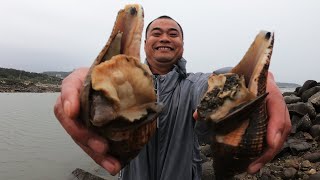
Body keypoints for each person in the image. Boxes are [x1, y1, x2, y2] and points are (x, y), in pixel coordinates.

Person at [54, 16, 291, 180]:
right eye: (156, 33)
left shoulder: (193, 85)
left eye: (173, 34)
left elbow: (221, 79)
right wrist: (87, 87)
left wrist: (263, 78)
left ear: (182, 45)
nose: (165, 37)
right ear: (146, 43)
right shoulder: (126, 84)